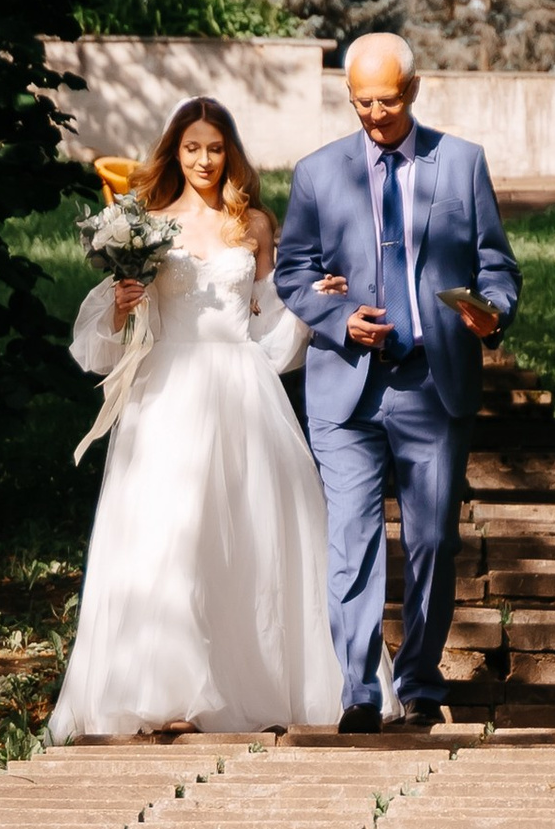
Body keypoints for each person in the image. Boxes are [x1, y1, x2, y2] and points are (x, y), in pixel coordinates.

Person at [48, 96, 344, 740]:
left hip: (241, 388)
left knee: (246, 534)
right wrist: (126, 305)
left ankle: (248, 682)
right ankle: (166, 691)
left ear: (229, 151)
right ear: (174, 152)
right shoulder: (146, 222)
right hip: (168, 392)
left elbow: (270, 311)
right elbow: (105, 325)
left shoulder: (255, 225)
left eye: (214, 147)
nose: (204, 159)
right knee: (169, 533)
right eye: (191, 147)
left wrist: (311, 301)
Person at [273, 33, 520, 731]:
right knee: (351, 540)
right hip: (345, 388)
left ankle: (419, 679)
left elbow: (496, 264)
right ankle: (358, 691)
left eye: (386, 100)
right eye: (361, 101)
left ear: (410, 91)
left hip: (431, 385)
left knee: (434, 540)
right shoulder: (318, 174)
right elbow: (292, 269)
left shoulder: (462, 163)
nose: (374, 114)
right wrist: (339, 316)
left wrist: (491, 311)